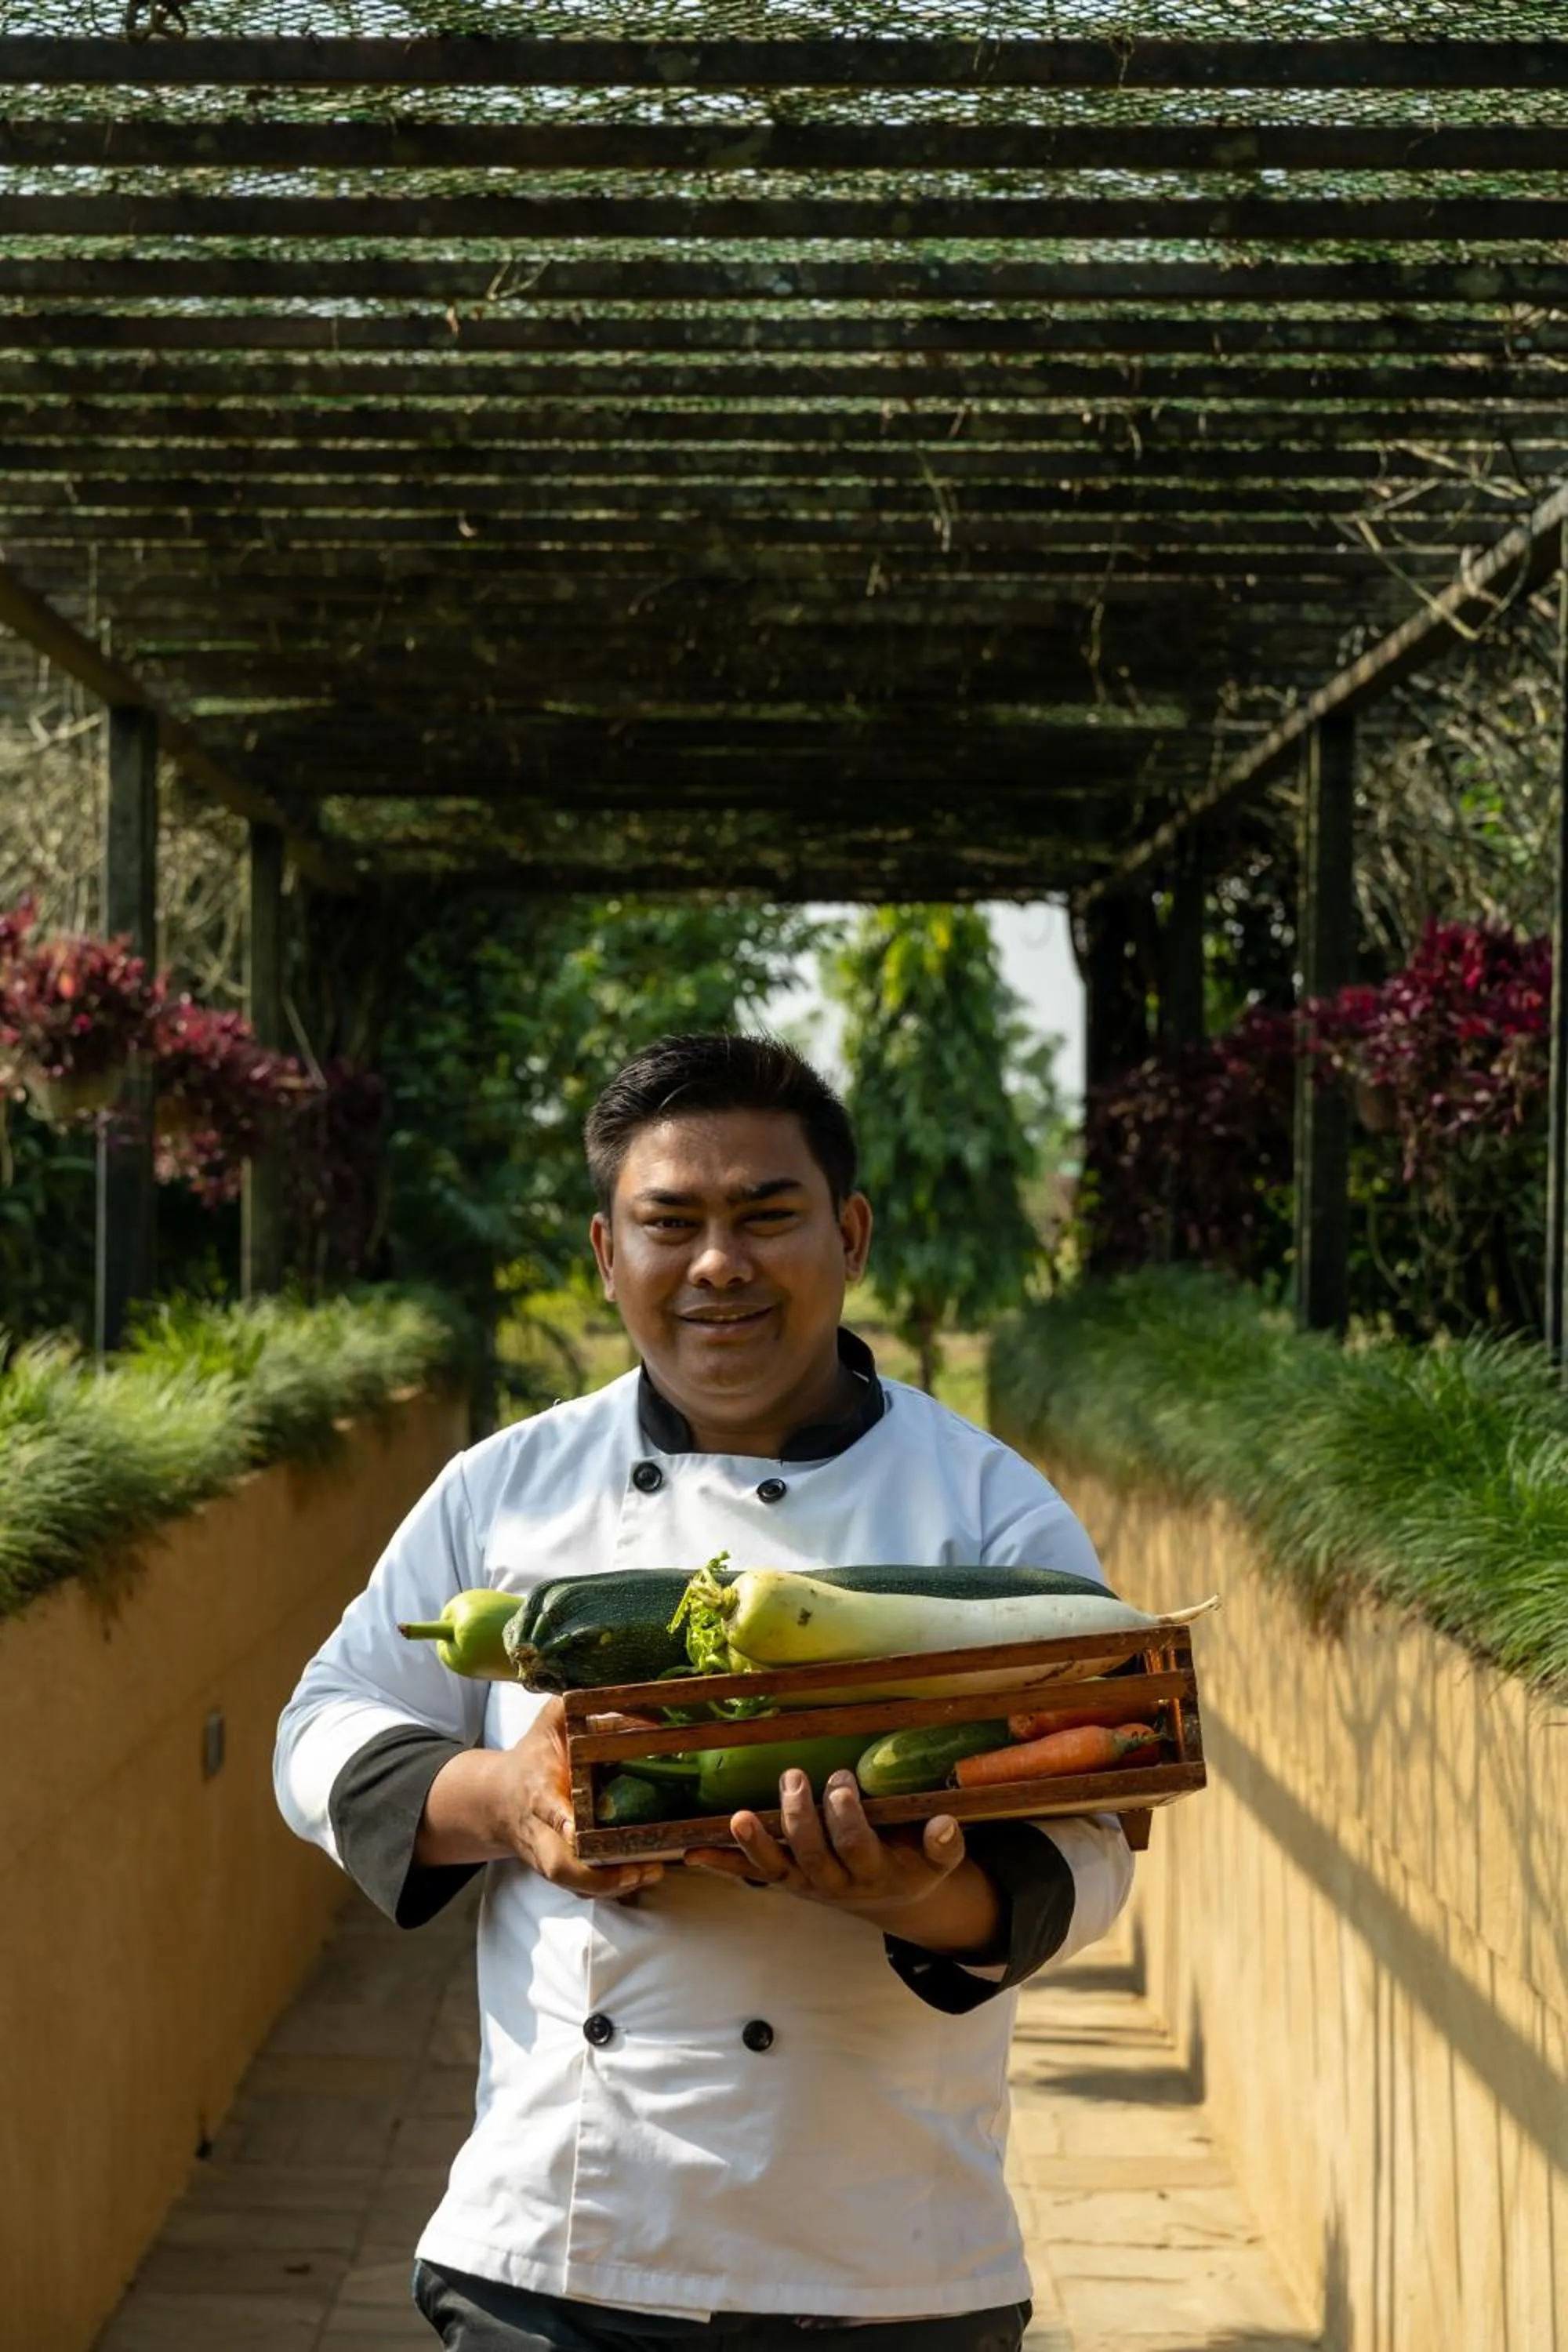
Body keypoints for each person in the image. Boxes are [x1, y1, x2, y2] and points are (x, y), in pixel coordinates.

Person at [274, 1033, 1134, 2352]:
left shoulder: (987, 1510)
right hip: (558, 2249)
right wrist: (507, 1800)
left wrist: (917, 1896)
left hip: (890, 2265)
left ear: (850, 1236)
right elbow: (321, 1730)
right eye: (670, 1223)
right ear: (607, 1253)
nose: (718, 1263)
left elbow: (1096, 1841)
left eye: (766, 1216)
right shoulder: (508, 1488)